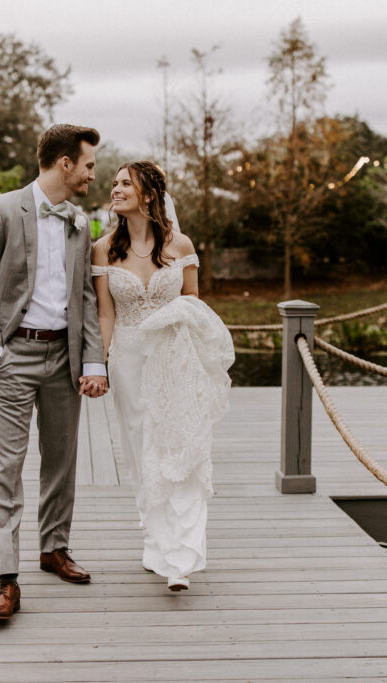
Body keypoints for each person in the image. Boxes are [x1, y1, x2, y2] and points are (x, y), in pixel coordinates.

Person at [0, 124, 108, 621]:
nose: (92, 174)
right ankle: (6, 579)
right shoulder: (0, 210)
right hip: (12, 358)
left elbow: (85, 298)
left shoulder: (80, 222)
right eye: (88, 165)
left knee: (61, 461)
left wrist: (93, 361)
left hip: (64, 359)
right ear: (65, 163)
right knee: (7, 469)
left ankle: (54, 549)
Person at [91, 161, 233, 592]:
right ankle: (156, 541)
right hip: (129, 362)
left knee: (181, 445)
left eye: (125, 184)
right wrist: (97, 364)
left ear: (149, 194)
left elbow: (193, 302)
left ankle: (181, 558)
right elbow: (105, 314)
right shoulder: (103, 249)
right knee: (142, 452)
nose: (115, 189)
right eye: (114, 183)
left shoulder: (180, 244)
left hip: (175, 357)